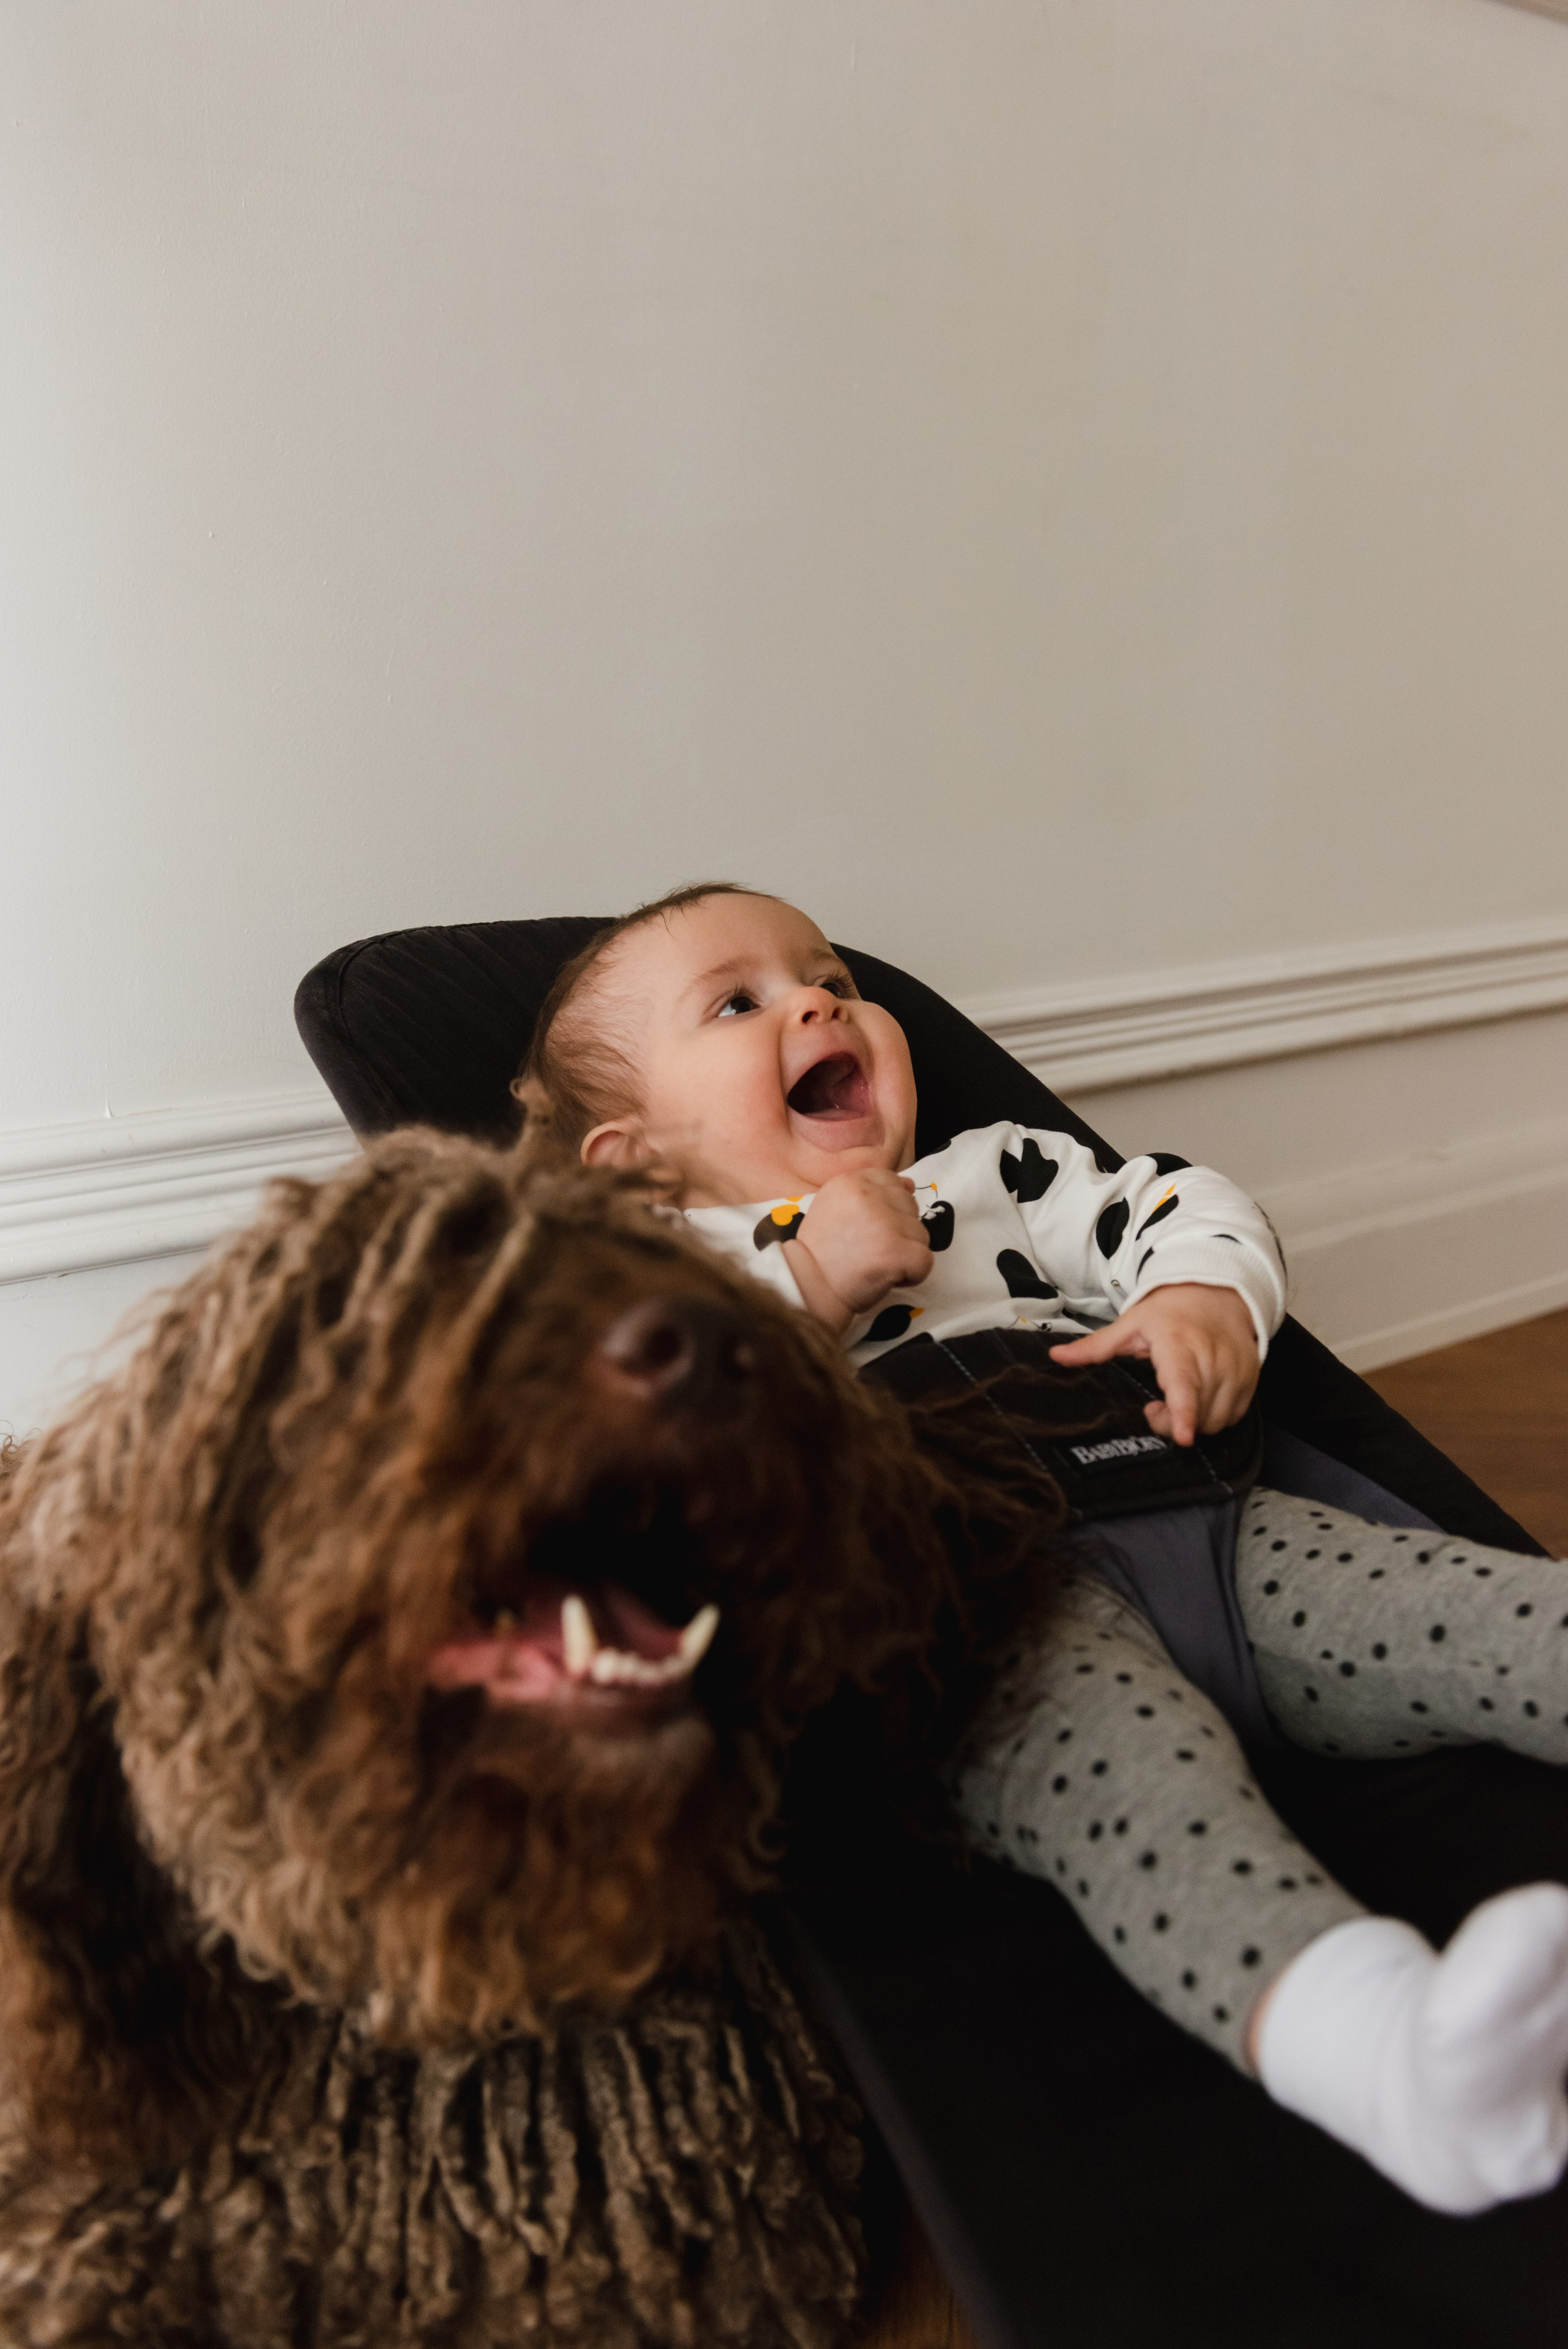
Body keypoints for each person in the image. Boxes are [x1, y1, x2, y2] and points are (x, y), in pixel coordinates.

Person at [520, 878, 1568, 2215]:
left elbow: (1173, 1202)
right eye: (739, 1002)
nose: (815, 1001)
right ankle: (1386, 2060)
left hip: (1206, 1528)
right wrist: (803, 1287)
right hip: (986, 1619)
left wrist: (1197, 1295)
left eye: (825, 973)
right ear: (635, 1164)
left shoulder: (995, 1170)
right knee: (1147, 1806)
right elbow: (632, 1469)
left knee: (1471, 1609)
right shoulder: (672, 1283)